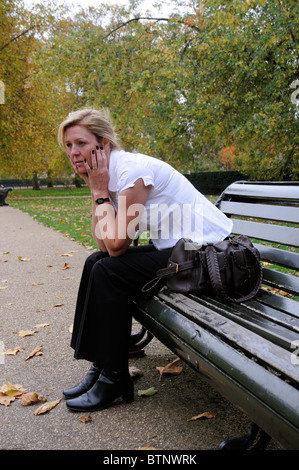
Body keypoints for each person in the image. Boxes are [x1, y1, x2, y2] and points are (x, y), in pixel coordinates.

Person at [57, 108, 233, 412]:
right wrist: (95, 188)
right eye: (69, 146)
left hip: (210, 257)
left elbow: (116, 247)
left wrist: (99, 190)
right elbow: (103, 243)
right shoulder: (108, 176)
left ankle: (115, 377)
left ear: (105, 144)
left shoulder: (131, 174)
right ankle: (102, 367)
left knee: (109, 271)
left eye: (81, 143)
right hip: (182, 253)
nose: (73, 152)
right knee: (94, 263)